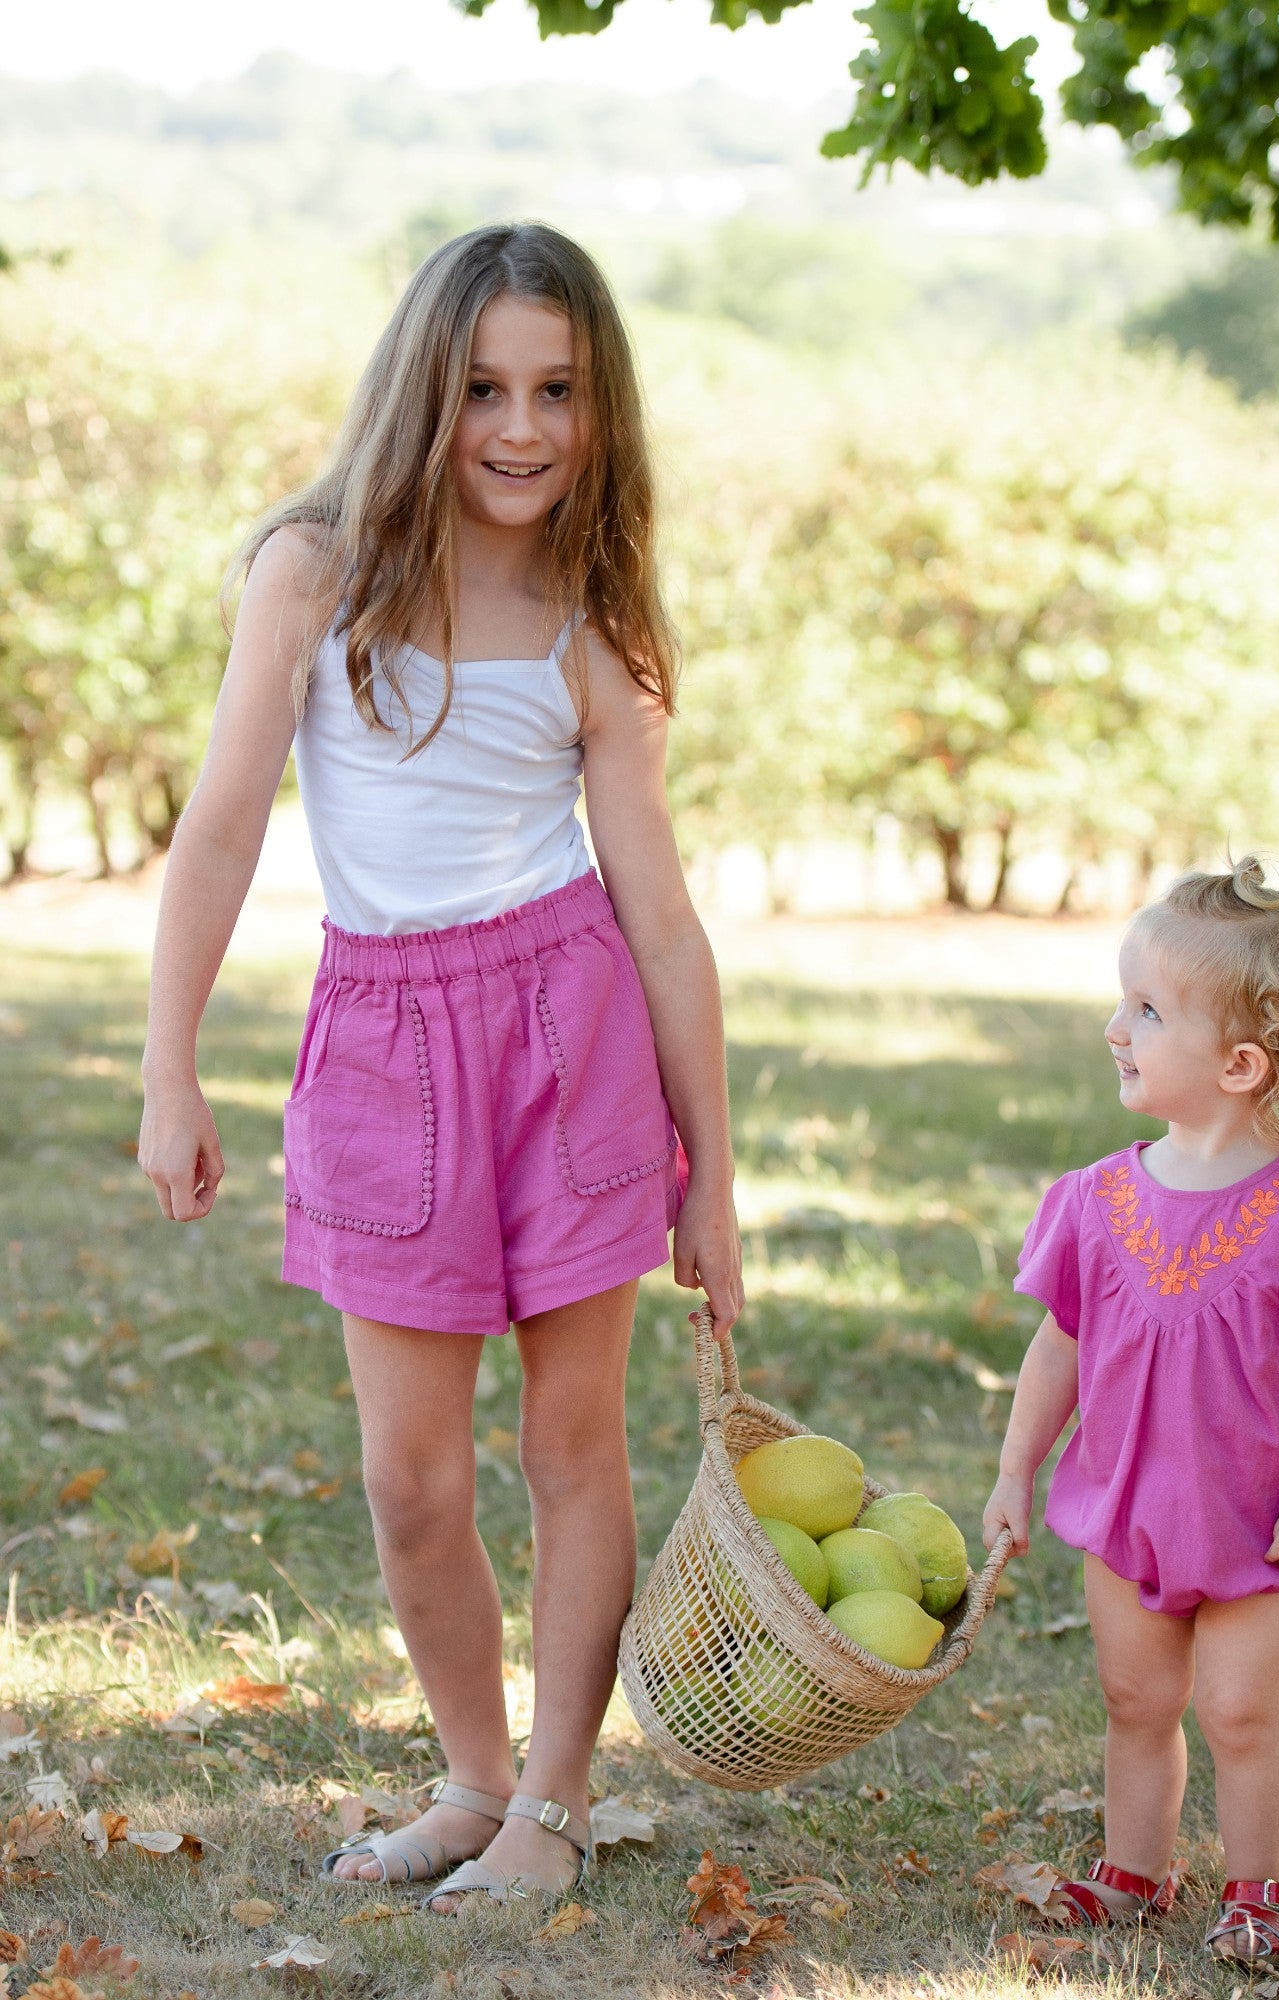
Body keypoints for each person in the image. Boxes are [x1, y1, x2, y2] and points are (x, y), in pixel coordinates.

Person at [138, 222, 744, 1915]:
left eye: (556, 391)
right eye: (484, 387)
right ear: (425, 389)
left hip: (568, 1031)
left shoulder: (591, 615)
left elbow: (663, 917)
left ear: (598, 405)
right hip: (382, 1049)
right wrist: (168, 1067)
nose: (520, 427)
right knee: (410, 1484)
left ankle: (552, 1797)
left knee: (572, 1447)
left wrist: (716, 1174)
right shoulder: (313, 570)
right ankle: (471, 1775)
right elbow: (220, 830)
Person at [983, 858, 1279, 1964]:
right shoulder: (1095, 1197)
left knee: (1237, 1711)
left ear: (1237, 1062)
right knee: (1133, 1697)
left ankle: (1256, 1889)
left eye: (1144, 1009)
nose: (1111, 1027)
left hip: (1262, 1515)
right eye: (1118, 999)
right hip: (1125, 1507)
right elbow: (1059, 1347)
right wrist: (1011, 1472)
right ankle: (1133, 1871)